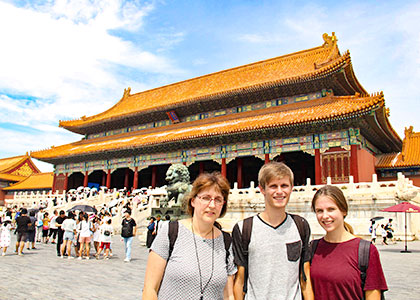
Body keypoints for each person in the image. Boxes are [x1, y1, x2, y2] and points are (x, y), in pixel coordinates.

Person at [142, 172, 236, 300]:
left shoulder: (226, 242)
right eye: (206, 198)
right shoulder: (171, 232)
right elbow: (150, 288)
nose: (212, 205)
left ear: (223, 205)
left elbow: (228, 294)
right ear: (193, 201)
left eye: (218, 200)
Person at [232, 162, 312, 300]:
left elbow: (305, 277)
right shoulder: (244, 229)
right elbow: (240, 280)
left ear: (292, 188)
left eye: (284, 186)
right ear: (262, 189)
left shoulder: (301, 226)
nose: (280, 192)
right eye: (273, 186)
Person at [310, 185, 387, 300]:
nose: (325, 216)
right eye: (319, 211)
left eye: (331, 209)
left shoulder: (366, 251)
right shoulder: (312, 248)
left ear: (344, 211)